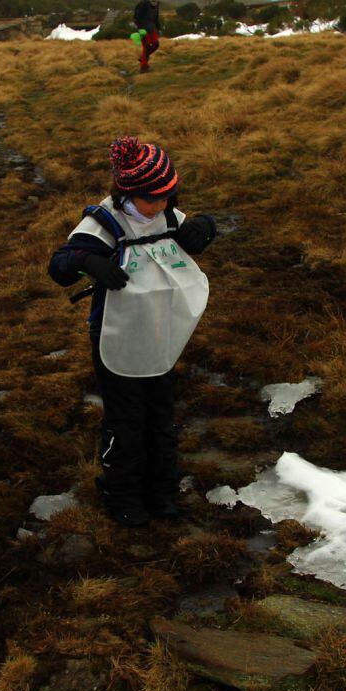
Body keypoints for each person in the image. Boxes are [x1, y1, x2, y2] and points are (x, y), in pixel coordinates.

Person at [48, 138, 216, 526]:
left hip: (161, 332)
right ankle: (121, 493)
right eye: (152, 199)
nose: (160, 206)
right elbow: (59, 266)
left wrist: (206, 228)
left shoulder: (169, 217)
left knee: (160, 412)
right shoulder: (104, 223)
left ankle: (162, 489)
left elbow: (195, 234)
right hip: (116, 334)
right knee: (125, 418)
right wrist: (90, 261)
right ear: (127, 193)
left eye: (168, 197)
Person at [133, 0, 163, 73]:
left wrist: (159, 28)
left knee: (156, 44)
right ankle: (143, 67)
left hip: (152, 29)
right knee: (146, 47)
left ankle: (143, 58)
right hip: (143, 30)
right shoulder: (144, 3)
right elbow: (136, 15)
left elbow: (156, 18)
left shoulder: (157, 4)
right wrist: (138, 27)